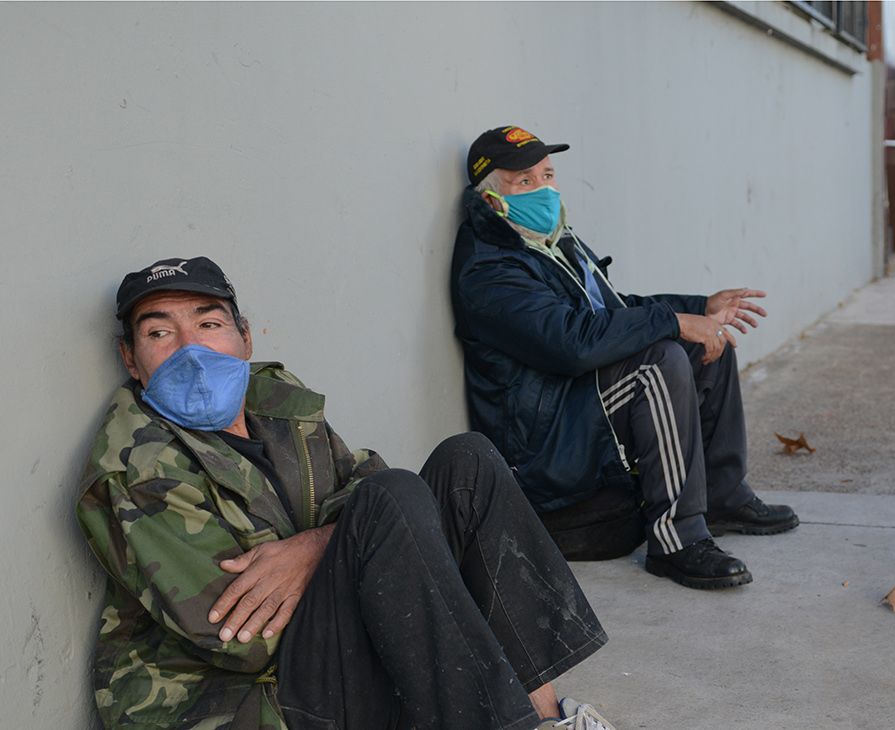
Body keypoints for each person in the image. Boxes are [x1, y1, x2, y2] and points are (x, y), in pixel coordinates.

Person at [76, 256, 613, 730]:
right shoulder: (135, 467)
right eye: (159, 334)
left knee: (467, 462)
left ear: (245, 336)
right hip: (253, 698)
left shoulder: (274, 401)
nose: (191, 349)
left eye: (209, 323)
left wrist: (313, 548)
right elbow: (242, 640)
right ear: (131, 359)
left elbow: (366, 483)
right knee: (394, 502)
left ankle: (543, 716)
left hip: (332, 653)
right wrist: (349, 540)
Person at [450, 125, 799, 591]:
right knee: (658, 362)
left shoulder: (550, 242)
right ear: (492, 197)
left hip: (568, 406)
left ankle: (722, 495)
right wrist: (673, 322)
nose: (545, 190)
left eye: (548, 175)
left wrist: (698, 309)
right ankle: (677, 540)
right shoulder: (490, 267)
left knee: (704, 343)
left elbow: (612, 309)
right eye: (525, 181)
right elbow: (570, 342)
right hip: (539, 447)